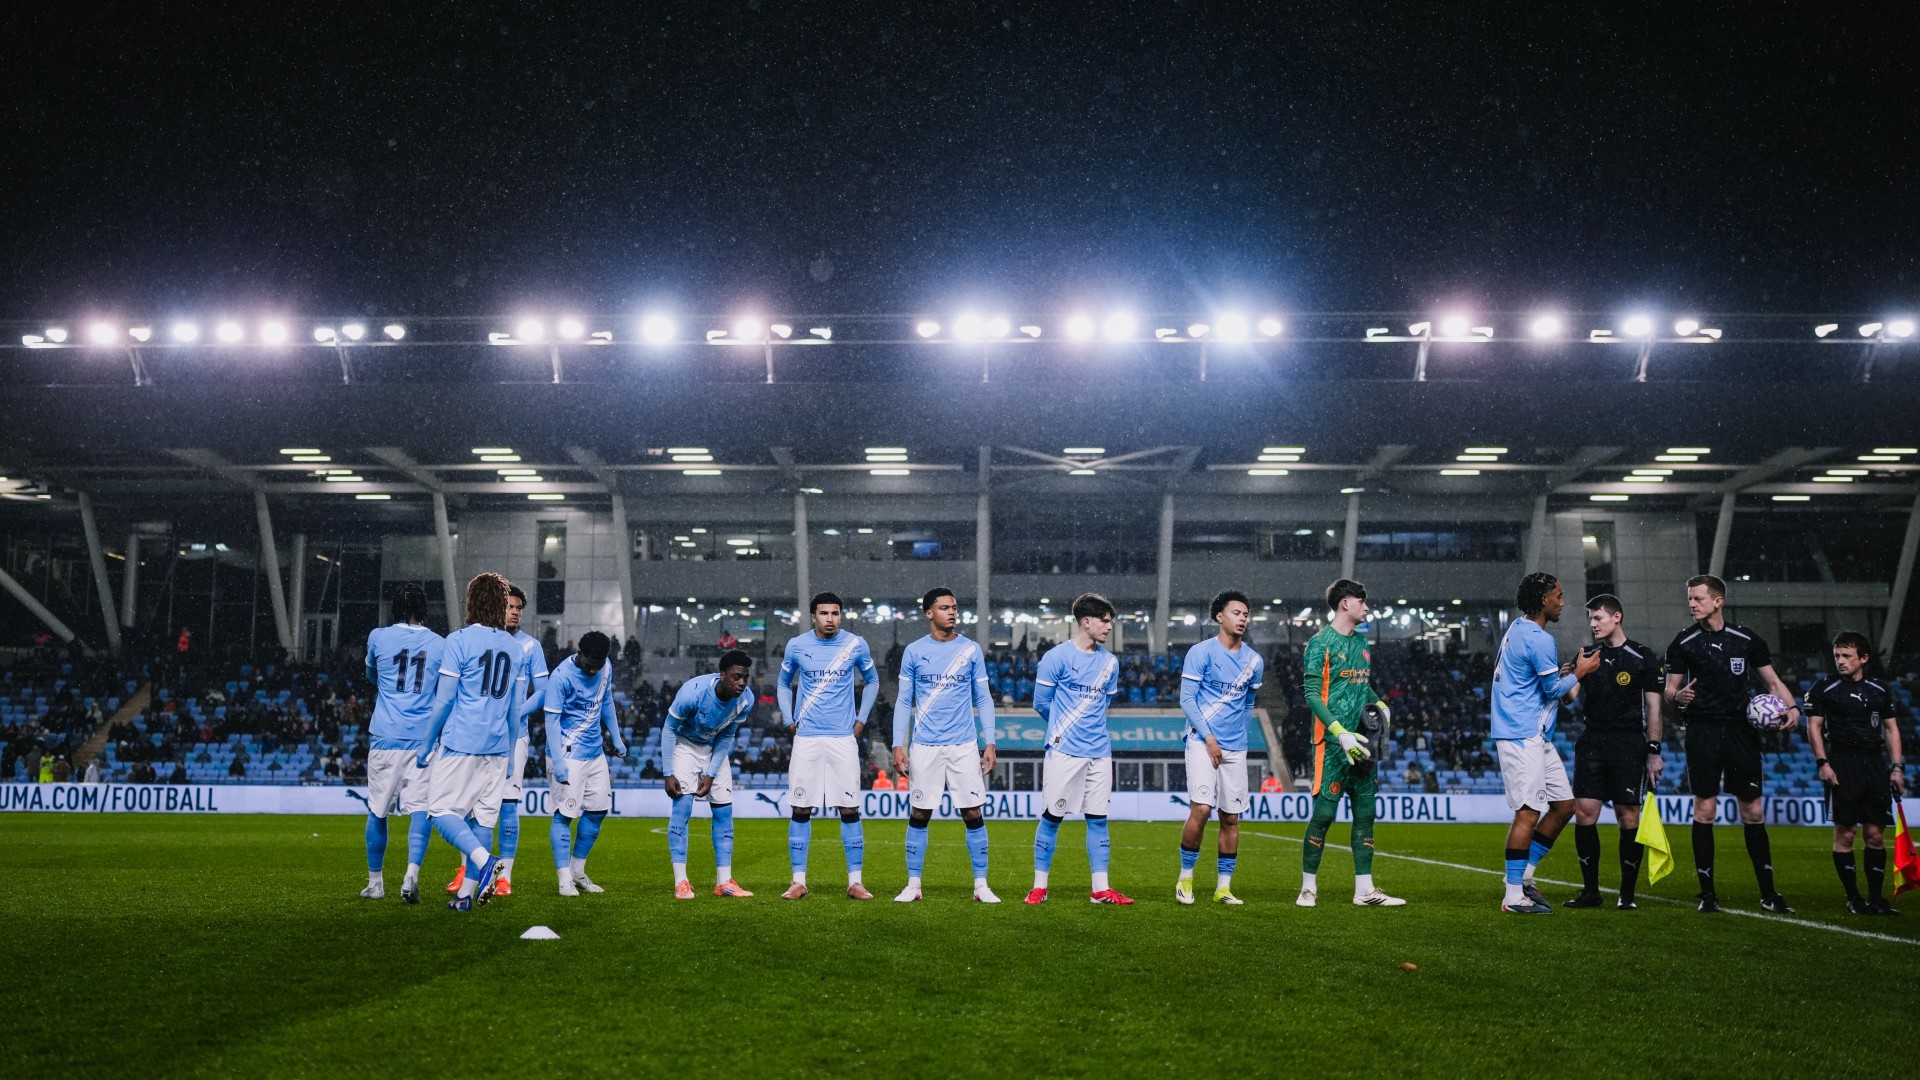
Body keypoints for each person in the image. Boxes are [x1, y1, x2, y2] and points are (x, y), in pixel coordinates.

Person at [1664, 574, 1802, 915]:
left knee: (1753, 812)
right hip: (1702, 731)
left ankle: (1769, 894)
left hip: (1742, 732)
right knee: (1705, 810)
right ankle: (1707, 893)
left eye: (1697, 598)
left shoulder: (1746, 639)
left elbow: (1771, 681)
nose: (1692, 604)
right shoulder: (1683, 642)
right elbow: (1669, 691)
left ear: (1718, 601)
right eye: (1690, 599)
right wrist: (1677, 697)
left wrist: (1793, 707)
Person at [418, 572, 541, 912]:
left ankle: (485, 861)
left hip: (463, 740)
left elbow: (443, 701)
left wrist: (427, 743)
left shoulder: (458, 641)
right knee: (482, 821)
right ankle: (464, 898)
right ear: (501, 606)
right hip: (499, 745)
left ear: (471, 603)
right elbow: (516, 707)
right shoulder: (514, 648)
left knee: (440, 810)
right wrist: (513, 757)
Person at [1490, 573, 1600, 914]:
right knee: (1527, 812)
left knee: (1564, 806)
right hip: (1522, 734)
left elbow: (1549, 687)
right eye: (1558, 595)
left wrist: (1568, 675)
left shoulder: (1518, 629)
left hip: (1534, 734)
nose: (1562, 602)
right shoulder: (1538, 638)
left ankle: (1525, 878)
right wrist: (1580, 672)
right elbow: (1554, 691)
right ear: (1543, 600)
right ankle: (1513, 896)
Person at [1298, 579, 1405, 908]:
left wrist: (1381, 703)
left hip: (1364, 741)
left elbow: (1362, 688)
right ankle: (1307, 888)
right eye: (1362, 601)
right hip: (1332, 745)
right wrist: (1338, 732)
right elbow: (1312, 694)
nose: (1367, 606)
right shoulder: (1319, 644)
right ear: (1345, 603)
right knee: (1324, 815)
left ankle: (1364, 890)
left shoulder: (1362, 643)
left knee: (1366, 814)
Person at [890, 587, 999, 903]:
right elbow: (903, 700)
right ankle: (913, 885)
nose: (952, 612)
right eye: (944, 607)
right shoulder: (913, 652)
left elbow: (983, 697)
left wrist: (989, 741)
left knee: (972, 812)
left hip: (964, 746)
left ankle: (981, 885)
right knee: (920, 813)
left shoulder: (971, 650)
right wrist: (899, 744)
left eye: (954, 607)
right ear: (929, 613)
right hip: (925, 746)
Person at [1561, 594, 1664, 910]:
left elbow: (1654, 709)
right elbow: (1569, 699)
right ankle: (1590, 891)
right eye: (1591, 619)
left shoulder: (1642, 656)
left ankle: (1627, 895)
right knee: (1584, 813)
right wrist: (1570, 675)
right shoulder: (1588, 655)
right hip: (1592, 741)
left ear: (1617, 617)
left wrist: (1654, 751)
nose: (1593, 625)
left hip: (1628, 743)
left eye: (1598, 618)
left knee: (1628, 817)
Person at [1027, 592, 1131, 905]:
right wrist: (1061, 729)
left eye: (1110, 621)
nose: (1109, 627)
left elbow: (1104, 705)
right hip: (1064, 752)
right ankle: (1039, 887)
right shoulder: (1056, 658)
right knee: (1052, 817)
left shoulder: (1110, 663)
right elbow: (1040, 703)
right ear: (1086, 622)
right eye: (1105, 621)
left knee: (1098, 819)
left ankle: (1100, 889)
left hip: (1100, 752)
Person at [777, 592, 881, 900]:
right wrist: (788, 719)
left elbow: (873, 681)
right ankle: (798, 881)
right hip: (807, 737)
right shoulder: (797, 646)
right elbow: (783, 683)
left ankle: (855, 882)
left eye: (835, 613)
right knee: (801, 808)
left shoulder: (855, 644)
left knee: (849, 809)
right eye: (824, 613)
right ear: (813, 616)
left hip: (842, 738)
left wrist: (861, 719)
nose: (830, 619)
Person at [1806, 631, 1908, 915]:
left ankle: (1876, 898)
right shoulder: (1824, 687)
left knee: (1875, 835)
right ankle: (1854, 898)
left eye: (1847, 656)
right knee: (1846, 834)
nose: (1840, 661)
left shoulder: (1880, 689)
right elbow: (1813, 726)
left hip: (1874, 763)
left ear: (1863, 658)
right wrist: (1822, 763)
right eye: (1837, 655)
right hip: (1842, 762)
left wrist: (1897, 767)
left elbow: (1891, 730)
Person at [1175, 590, 1263, 906]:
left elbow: (1249, 703)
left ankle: (1223, 887)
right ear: (1219, 617)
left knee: (1231, 817)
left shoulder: (1255, 661)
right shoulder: (1201, 653)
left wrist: (1234, 738)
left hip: (1235, 747)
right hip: (1201, 741)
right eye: (1237, 612)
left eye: (1246, 614)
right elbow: (1186, 699)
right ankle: (1186, 878)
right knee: (1201, 809)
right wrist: (1210, 738)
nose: (1243, 618)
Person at [360, 583, 444, 903]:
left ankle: (375, 883)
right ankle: (411, 875)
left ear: (394, 608)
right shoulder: (440, 644)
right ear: (424, 610)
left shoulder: (378, 637)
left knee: (377, 812)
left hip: (386, 736)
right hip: (424, 740)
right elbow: (444, 690)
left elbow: (371, 676)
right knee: (420, 811)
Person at [662, 650, 757, 899]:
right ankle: (681, 882)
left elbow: (727, 735)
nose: (742, 683)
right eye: (737, 677)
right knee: (682, 810)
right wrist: (668, 772)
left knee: (724, 811)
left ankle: (724, 882)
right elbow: (669, 729)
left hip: (715, 748)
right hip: (685, 745)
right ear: (723, 675)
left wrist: (712, 773)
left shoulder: (746, 699)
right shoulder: (693, 692)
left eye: (745, 678)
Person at [544, 631, 628, 897]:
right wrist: (557, 761)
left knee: (597, 811)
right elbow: (551, 721)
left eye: (599, 663)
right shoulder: (561, 677)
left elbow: (606, 702)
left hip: (595, 754)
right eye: (590, 662)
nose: (594, 668)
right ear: (580, 653)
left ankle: (578, 871)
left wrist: (616, 737)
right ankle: (563, 879)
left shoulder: (605, 667)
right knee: (565, 815)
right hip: (567, 754)